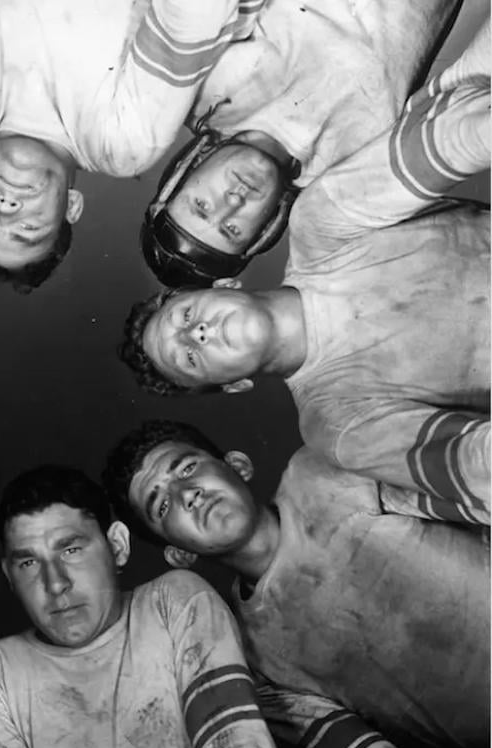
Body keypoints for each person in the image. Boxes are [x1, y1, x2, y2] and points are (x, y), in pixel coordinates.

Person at [120, 21, 491, 520]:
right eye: (189, 358)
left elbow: (454, 137)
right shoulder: (336, 426)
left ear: (227, 285)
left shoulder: (323, 219)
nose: (199, 333)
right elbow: (473, 463)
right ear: (234, 387)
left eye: (185, 318)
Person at [103, 419, 490, 748]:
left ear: (238, 465)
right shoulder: (254, 659)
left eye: (187, 468)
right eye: (162, 504)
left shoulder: (329, 475)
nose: (188, 493)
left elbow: (477, 486)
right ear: (179, 553)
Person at [0, 0, 265, 296]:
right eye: (27, 229)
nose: (6, 208)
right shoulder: (123, 145)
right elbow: (188, 22)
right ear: (73, 206)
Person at [0, 465, 283, 748]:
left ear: (117, 546)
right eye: (28, 563)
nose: (55, 583)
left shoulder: (172, 603)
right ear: (9, 576)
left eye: (71, 550)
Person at [139, 0, 462, 285]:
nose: (232, 202)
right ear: (266, 231)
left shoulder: (204, 88)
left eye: (202, 206)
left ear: (183, 174)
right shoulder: (352, 172)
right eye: (232, 230)